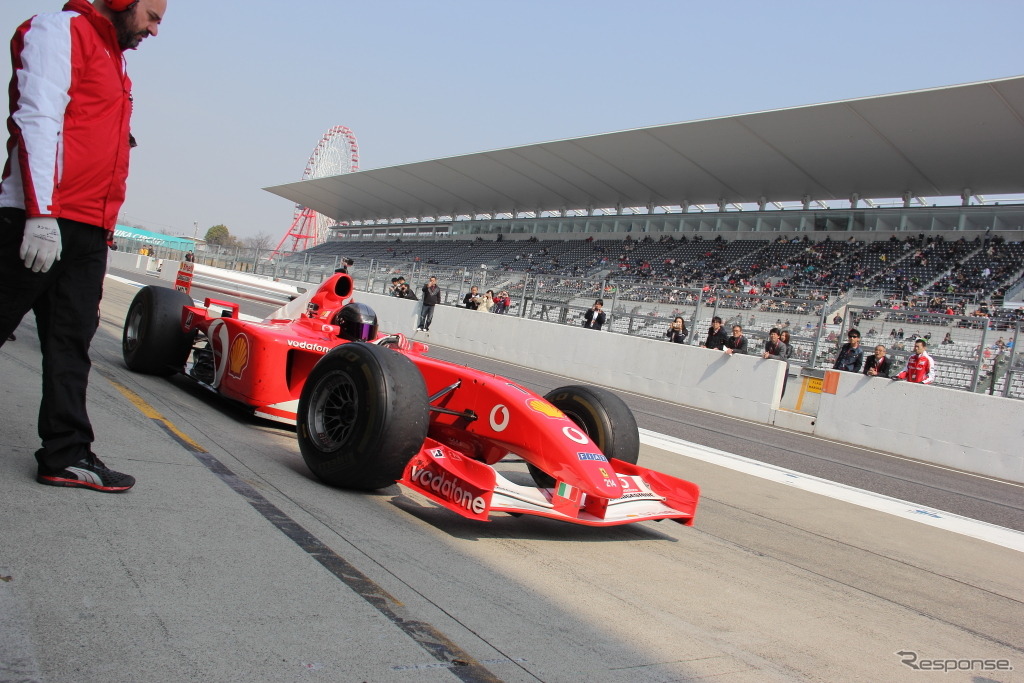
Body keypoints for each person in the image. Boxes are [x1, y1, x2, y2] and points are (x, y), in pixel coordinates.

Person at [0, 0, 166, 492]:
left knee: (71, 345)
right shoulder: (58, 31)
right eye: (152, 17)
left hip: (89, 229)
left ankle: (66, 454)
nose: (155, 30)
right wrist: (40, 213)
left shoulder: (114, 58)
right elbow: (37, 119)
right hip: (40, 217)